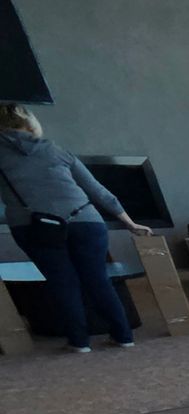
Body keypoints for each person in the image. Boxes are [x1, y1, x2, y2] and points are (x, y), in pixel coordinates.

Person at [0, 104, 153, 353]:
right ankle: (124, 336)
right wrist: (130, 223)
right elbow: (97, 190)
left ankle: (79, 342)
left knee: (62, 282)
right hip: (86, 221)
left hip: (34, 226)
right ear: (30, 123)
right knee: (98, 280)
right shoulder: (56, 150)